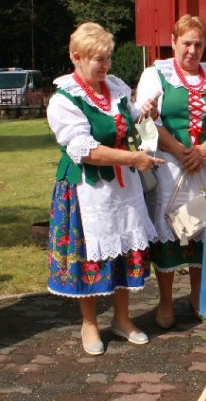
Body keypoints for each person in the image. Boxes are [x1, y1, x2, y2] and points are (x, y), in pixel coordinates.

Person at [47, 22, 163, 355]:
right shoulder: (64, 98)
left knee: (124, 249)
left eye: (107, 57)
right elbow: (84, 149)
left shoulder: (114, 87)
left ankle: (122, 319)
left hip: (122, 182)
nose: (104, 65)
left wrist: (146, 114)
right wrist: (133, 158)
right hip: (86, 187)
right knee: (90, 254)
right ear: (76, 57)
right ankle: (89, 324)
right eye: (97, 59)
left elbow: (132, 119)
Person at [135, 14, 206, 329]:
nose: (192, 50)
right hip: (170, 168)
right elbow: (148, 119)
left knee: (202, 232)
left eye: (199, 44)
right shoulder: (156, 74)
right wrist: (181, 151)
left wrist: (204, 149)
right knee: (170, 232)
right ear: (173, 42)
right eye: (186, 43)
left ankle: (197, 295)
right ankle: (165, 301)